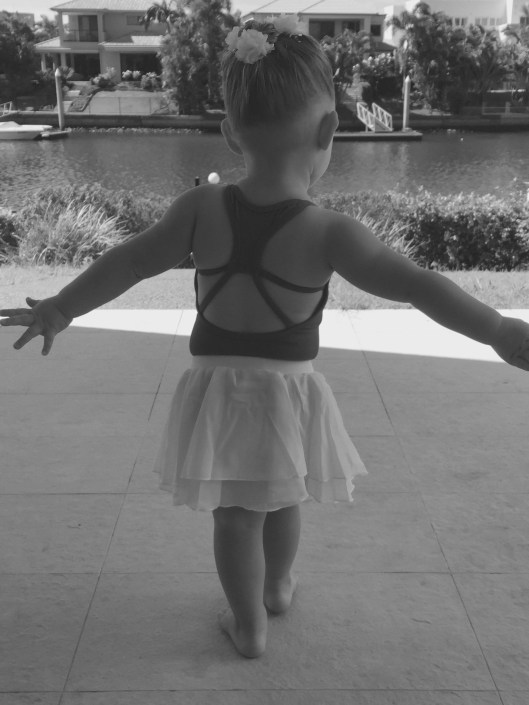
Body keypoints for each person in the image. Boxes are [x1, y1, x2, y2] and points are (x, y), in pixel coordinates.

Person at [1, 15, 529, 660]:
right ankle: (276, 587)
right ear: (330, 131)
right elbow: (419, 286)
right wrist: (498, 329)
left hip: (218, 394)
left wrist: (61, 308)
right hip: (288, 393)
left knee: (235, 513)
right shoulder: (332, 231)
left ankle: (247, 623)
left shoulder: (200, 207)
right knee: (283, 495)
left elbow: (129, 262)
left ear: (229, 133)